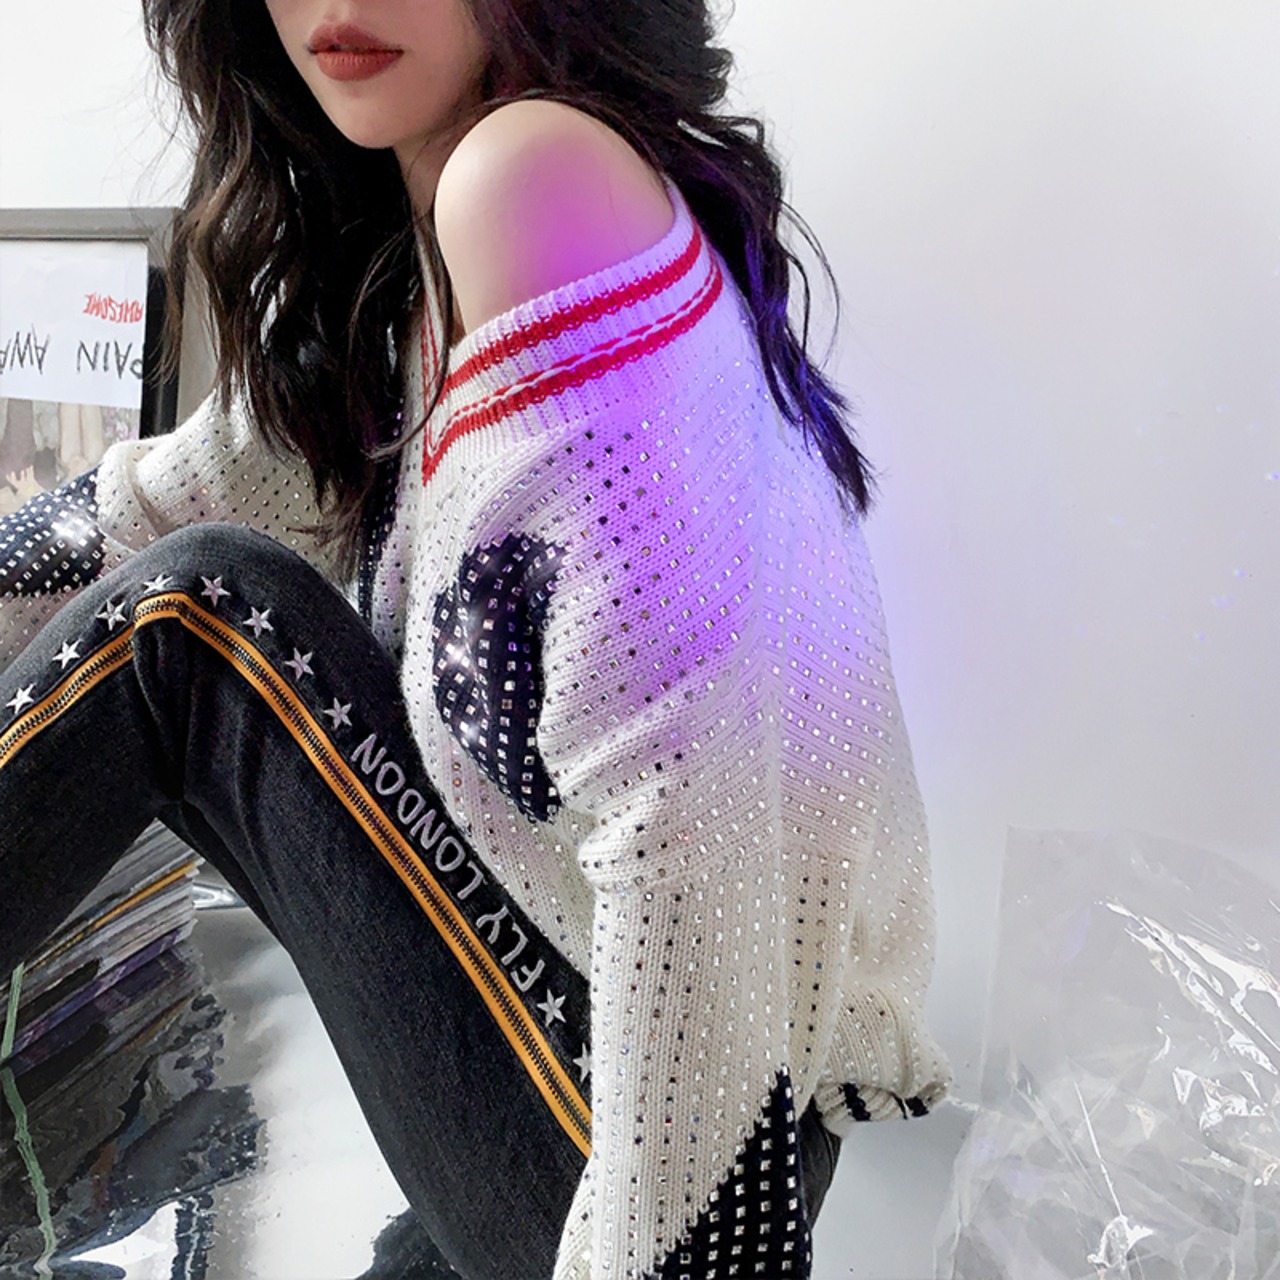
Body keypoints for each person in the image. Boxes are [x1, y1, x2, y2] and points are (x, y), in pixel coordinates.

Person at [0, 2, 951, 1276]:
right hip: (582, 1071)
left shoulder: (534, 182)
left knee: (197, 619)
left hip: (656, 1155)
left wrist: (676, 1249)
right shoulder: (412, 267)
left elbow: (695, 829)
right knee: (192, 594)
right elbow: (149, 508)